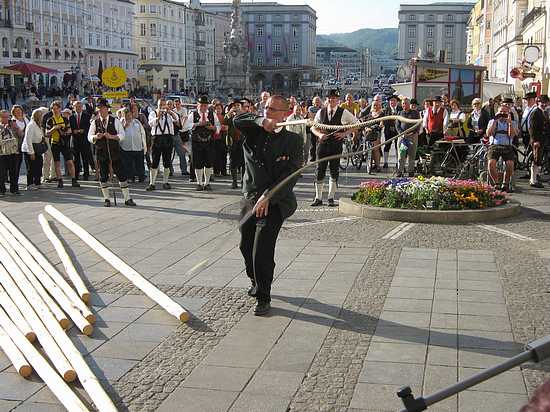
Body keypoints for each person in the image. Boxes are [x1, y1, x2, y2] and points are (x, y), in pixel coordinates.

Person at [232, 95, 303, 316]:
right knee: (246, 244)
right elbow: (238, 119)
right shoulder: (254, 129)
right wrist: (261, 121)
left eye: (273, 110)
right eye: (266, 108)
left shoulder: (293, 140)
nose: (268, 112)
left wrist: (268, 197)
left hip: (276, 200)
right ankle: (254, 279)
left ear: (286, 113)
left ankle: (263, 295)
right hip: (251, 196)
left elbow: (290, 175)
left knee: (262, 247)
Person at [310, 89, 358, 207]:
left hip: (335, 145)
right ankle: (318, 197)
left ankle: (331, 198)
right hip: (322, 145)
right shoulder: (320, 112)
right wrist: (319, 134)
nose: (331, 100)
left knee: (334, 170)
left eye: (334, 98)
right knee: (319, 170)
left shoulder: (344, 112)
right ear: (326, 100)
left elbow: (357, 123)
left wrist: (344, 134)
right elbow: (313, 127)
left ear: (338, 100)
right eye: (329, 98)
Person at [88, 98, 136, 207]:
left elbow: (122, 135)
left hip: (114, 151)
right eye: (99, 108)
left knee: (121, 175)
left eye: (103, 108)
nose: (101, 110)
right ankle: (106, 199)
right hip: (101, 152)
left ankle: (127, 198)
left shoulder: (115, 121)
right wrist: (96, 136)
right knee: (103, 175)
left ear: (107, 109)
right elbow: (89, 137)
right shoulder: (94, 122)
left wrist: (112, 137)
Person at [182, 95, 221, 191]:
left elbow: (218, 126)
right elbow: (186, 126)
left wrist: (213, 128)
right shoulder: (193, 114)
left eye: (205, 105)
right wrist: (198, 124)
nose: (203, 107)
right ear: (197, 105)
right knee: (198, 163)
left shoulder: (212, 114)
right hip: (197, 143)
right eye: (201, 105)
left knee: (208, 163)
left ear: (207, 106)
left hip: (209, 142)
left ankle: (207, 183)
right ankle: (199, 183)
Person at [44, 101, 79, 188]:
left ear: (60, 109)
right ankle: (60, 181)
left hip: (65, 143)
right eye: (53, 109)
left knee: (70, 162)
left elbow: (70, 130)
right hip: (55, 143)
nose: (55, 111)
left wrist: (64, 130)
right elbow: (47, 133)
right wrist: (54, 128)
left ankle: (74, 180)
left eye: (57, 109)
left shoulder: (65, 119)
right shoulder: (50, 120)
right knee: (57, 163)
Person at [486, 103, 519, 192]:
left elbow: (511, 135)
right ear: (497, 113)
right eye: (501, 112)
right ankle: (496, 183)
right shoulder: (492, 121)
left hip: (507, 146)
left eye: (505, 112)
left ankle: (505, 183)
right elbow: (489, 134)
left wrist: (509, 123)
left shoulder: (512, 123)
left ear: (508, 113)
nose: (502, 114)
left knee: (510, 164)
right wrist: (495, 121)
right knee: (491, 163)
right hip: (495, 145)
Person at [147, 98, 178, 191]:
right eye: (161, 105)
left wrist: (170, 112)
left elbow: (176, 119)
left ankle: (165, 182)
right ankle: (152, 183)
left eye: (164, 105)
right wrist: (158, 117)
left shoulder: (169, 114)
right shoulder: (153, 113)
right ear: (158, 105)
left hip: (168, 138)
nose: (162, 107)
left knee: (167, 161)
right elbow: (151, 124)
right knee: (155, 162)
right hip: (157, 138)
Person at [522, 91, 547, 188]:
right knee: (536, 159)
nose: (544, 104)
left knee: (538, 159)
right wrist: (535, 140)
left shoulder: (543, 112)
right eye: (542, 102)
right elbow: (531, 128)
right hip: (537, 140)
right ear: (538, 102)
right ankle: (533, 180)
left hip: (542, 139)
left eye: (545, 103)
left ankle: (535, 178)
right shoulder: (536, 112)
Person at [21, 108, 48, 190]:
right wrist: (31, 152)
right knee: (31, 167)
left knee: (39, 165)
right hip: (30, 149)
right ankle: (29, 184)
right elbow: (28, 139)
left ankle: (37, 182)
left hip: (37, 148)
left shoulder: (38, 124)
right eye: (40, 116)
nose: (42, 117)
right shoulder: (31, 125)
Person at [120, 107, 147, 183]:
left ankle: (141, 176)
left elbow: (143, 134)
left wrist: (144, 146)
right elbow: (119, 133)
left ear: (131, 115)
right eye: (126, 115)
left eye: (129, 115)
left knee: (140, 163)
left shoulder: (137, 122)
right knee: (128, 164)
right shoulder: (121, 122)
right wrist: (124, 126)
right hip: (126, 147)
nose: (128, 117)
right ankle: (130, 177)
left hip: (138, 147)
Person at [396, 97, 421, 177]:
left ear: (409, 104)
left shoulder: (415, 113)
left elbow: (418, 124)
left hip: (412, 137)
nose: (404, 105)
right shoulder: (400, 113)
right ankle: (400, 171)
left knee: (411, 155)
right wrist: (401, 133)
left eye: (406, 103)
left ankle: (411, 171)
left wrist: (413, 133)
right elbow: (397, 125)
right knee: (402, 155)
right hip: (403, 138)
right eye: (403, 103)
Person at [69, 100, 93, 181]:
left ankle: (86, 174)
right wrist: (73, 131)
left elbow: (89, 128)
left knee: (85, 158)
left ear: (82, 107)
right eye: (76, 107)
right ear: (73, 107)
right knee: (76, 159)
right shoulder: (71, 117)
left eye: (79, 107)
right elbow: (70, 128)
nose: (78, 108)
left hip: (84, 140)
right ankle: (76, 175)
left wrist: (84, 131)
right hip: (75, 141)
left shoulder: (87, 116)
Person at [225, 99, 245, 189]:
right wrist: (229, 113)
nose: (236, 107)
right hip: (233, 142)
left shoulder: (244, 115)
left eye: (238, 105)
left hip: (243, 141)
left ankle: (243, 181)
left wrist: (240, 113)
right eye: (234, 106)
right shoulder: (229, 116)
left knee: (243, 162)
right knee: (233, 162)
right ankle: (234, 181)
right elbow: (224, 122)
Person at [360, 99, 384, 172]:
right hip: (368, 132)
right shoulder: (369, 114)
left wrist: (380, 125)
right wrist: (365, 127)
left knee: (376, 149)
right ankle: (371, 163)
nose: (375, 106)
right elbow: (363, 121)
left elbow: (382, 122)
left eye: (377, 105)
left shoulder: (381, 114)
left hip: (376, 132)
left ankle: (378, 165)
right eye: (374, 105)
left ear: (380, 106)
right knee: (371, 149)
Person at [0, 110, 20, 195]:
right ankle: (1, 189)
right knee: (2, 172)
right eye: (4, 117)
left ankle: (14, 189)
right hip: (2, 152)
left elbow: (21, 135)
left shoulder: (12, 125)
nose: (6, 119)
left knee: (14, 171)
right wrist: (4, 128)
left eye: (7, 117)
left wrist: (17, 128)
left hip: (13, 152)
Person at [10, 105, 29, 184]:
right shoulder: (13, 121)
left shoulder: (25, 119)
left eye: (19, 110)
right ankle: (15, 182)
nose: (18, 112)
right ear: (13, 112)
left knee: (27, 162)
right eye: (16, 111)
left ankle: (30, 182)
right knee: (17, 163)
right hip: (17, 145)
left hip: (25, 143)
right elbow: (20, 134)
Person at [382, 95, 401, 169]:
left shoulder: (400, 109)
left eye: (394, 101)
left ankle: (397, 162)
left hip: (397, 131)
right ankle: (385, 162)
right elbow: (382, 119)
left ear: (397, 102)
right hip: (388, 130)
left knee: (397, 146)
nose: (392, 102)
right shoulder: (386, 110)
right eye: (391, 101)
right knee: (387, 146)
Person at [172, 98, 189, 176]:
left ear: (180, 104)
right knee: (171, 153)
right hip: (175, 132)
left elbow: (184, 119)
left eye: (178, 104)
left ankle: (184, 170)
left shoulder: (183, 110)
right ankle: (170, 170)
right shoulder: (173, 111)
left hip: (183, 131)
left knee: (183, 151)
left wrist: (181, 125)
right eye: (175, 104)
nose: (177, 105)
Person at [212, 102, 228, 176]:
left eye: (220, 108)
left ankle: (223, 171)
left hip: (223, 137)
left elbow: (226, 127)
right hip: (215, 137)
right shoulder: (212, 117)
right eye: (217, 108)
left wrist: (222, 127)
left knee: (223, 155)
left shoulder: (224, 117)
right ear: (214, 109)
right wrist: (221, 127)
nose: (218, 110)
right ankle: (216, 171)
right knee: (215, 155)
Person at [307, 96, 323, 161]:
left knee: (320, 143)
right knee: (313, 143)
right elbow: (312, 116)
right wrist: (317, 115)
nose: (317, 102)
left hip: (321, 127)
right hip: (313, 127)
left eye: (318, 101)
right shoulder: (310, 108)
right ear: (313, 102)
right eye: (316, 101)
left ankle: (319, 156)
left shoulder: (322, 108)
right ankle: (313, 157)